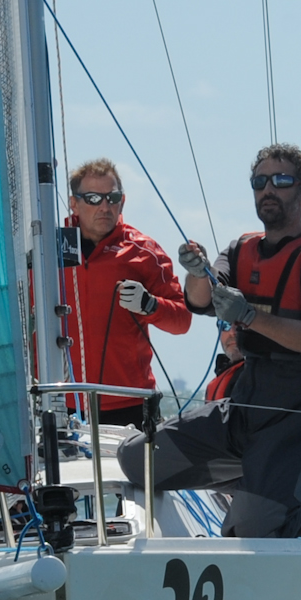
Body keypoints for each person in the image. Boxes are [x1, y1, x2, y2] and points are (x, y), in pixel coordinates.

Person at [118, 143, 301, 538]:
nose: (268, 189)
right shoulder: (241, 249)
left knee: (247, 532)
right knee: (136, 460)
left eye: (281, 180)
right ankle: (296, 481)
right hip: (250, 400)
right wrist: (197, 271)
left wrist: (250, 316)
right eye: (259, 182)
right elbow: (201, 299)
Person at [62, 159, 191, 427]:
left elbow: (182, 321)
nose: (105, 207)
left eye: (112, 198)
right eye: (93, 198)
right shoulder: (48, 252)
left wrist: (150, 305)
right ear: (74, 203)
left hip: (130, 403)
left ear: (122, 201)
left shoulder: (144, 251)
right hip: (62, 401)